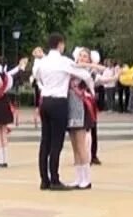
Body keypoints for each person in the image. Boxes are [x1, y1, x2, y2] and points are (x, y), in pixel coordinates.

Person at [32, 33, 92, 191]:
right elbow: (84, 74)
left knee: (45, 141)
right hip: (58, 101)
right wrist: (91, 90)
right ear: (60, 44)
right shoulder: (64, 61)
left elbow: (36, 76)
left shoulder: (42, 62)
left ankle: (44, 179)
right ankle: (55, 179)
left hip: (45, 100)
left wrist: (46, 86)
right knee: (56, 142)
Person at [67, 48, 101, 190]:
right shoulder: (71, 69)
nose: (82, 58)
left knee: (81, 144)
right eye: (80, 55)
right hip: (70, 108)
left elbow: (93, 84)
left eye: (85, 56)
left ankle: (86, 179)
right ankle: (78, 177)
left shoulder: (88, 73)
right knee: (74, 145)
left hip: (82, 108)